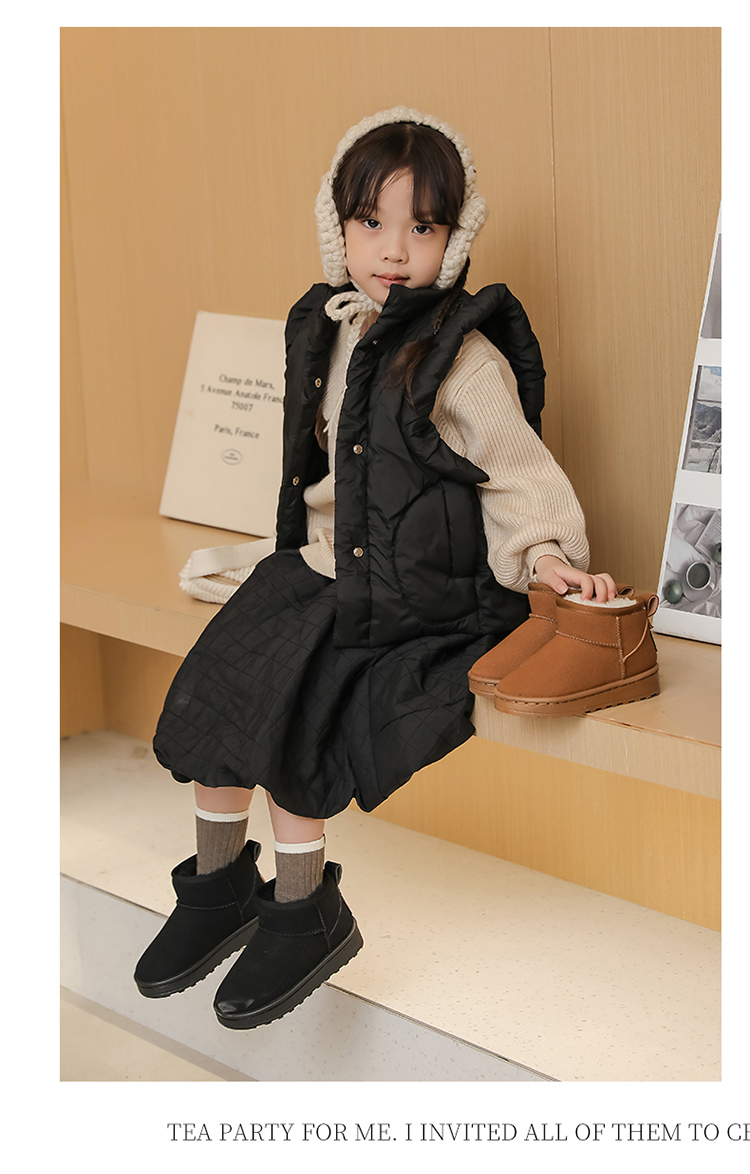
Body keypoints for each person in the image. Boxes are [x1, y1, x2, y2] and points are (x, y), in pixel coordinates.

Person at [135, 106, 618, 1031]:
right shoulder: (329, 329)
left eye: (423, 227)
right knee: (216, 694)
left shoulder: (462, 359)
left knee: (300, 723)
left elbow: (518, 471)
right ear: (339, 229)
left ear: (455, 239)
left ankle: (304, 908)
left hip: (418, 590)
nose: (394, 249)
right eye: (372, 223)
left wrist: (547, 554)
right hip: (323, 567)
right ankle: (217, 887)